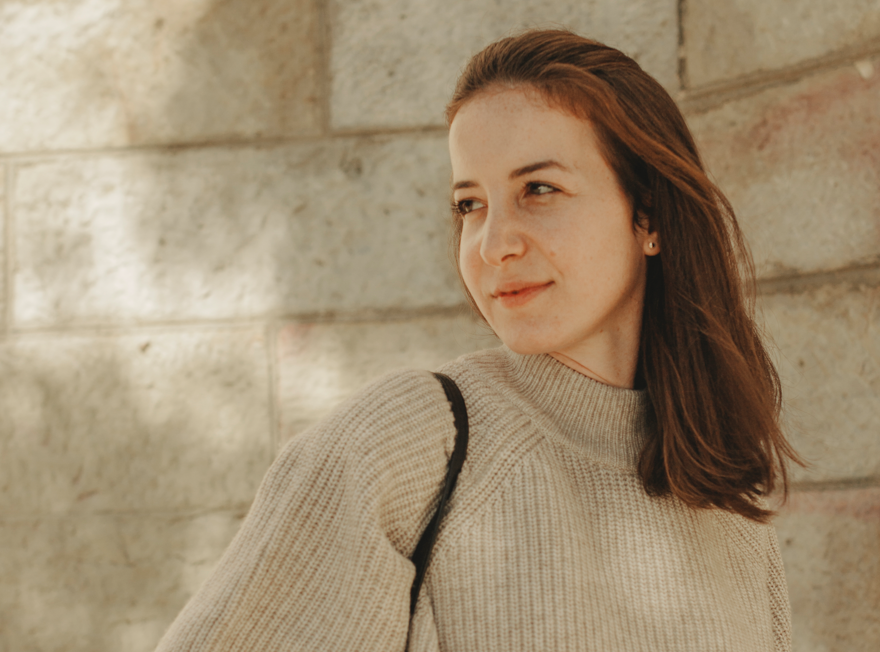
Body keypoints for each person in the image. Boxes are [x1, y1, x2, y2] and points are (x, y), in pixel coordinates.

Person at [157, 29, 801, 652]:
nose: (493, 245)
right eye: (470, 205)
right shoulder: (402, 447)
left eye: (539, 190)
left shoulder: (729, 508)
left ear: (649, 214)